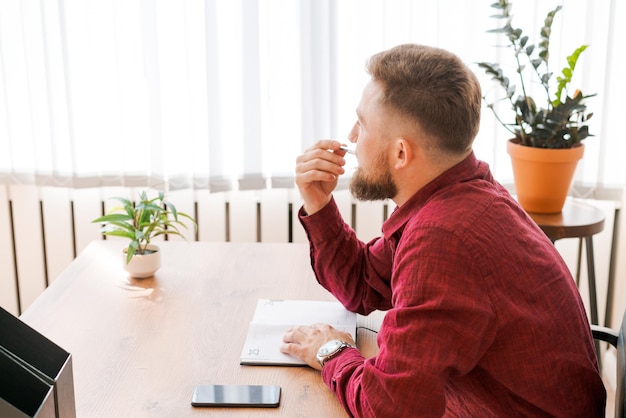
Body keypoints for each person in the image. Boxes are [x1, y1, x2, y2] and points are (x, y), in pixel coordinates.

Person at [280, 44, 606, 417]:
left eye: (363, 124)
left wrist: (331, 352)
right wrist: (319, 203)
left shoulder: (444, 238)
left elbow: (388, 407)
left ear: (401, 153)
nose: (352, 137)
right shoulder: (458, 195)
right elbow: (362, 283)